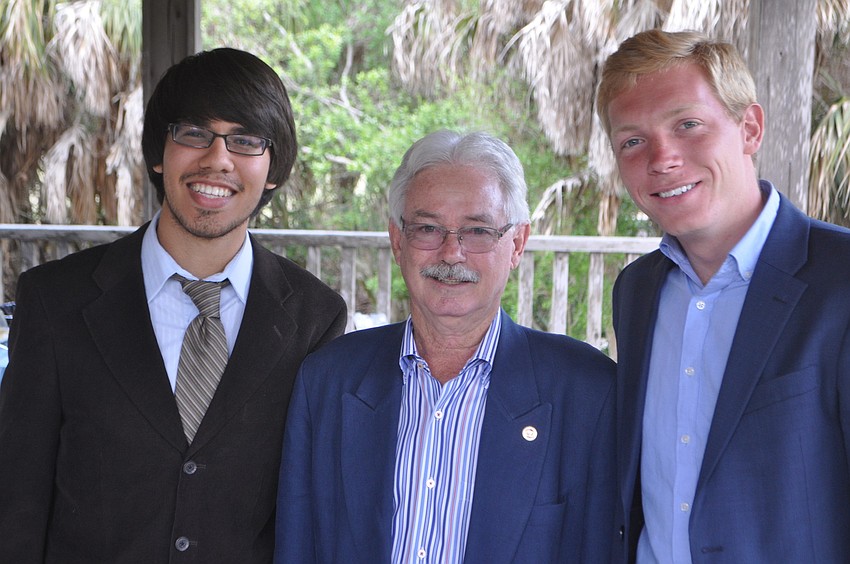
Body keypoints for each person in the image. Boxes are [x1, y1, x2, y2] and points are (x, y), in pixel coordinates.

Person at [0, 48, 346, 563]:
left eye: (246, 140)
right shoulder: (55, 301)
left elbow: (313, 509)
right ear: (158, 152)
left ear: (273, 168)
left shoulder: (315, 318)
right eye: (194, 133)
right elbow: (15, 503)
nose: (218, 159)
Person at [274, 130, 617, 563]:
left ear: (516, 244)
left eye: (478, 231)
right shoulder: (327, 380)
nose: (452, 253)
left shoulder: (587, 391)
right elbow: (296, 546)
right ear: (397, 241)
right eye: (427, 229)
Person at [596, 29, 850, 563]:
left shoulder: (840, 279)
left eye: (687, 125)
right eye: (632, 142)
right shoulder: (636, 290)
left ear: (749, 129)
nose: (662, 158)